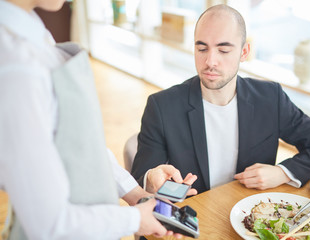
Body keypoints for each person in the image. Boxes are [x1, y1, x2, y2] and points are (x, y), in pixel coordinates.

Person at [0, 0, 196, 239]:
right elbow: (49, 223)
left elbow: (79, 141)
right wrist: (135, 220)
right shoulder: (15, 68)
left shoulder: (32, 31)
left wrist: (136, 194)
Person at [131, 4, 310, 194]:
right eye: (202, 48)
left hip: (250, 217)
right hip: (196, 221)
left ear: (244, 52)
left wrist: (282, 172)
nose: (210, 61)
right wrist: (150, 181)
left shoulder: (270, 98)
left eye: (223, 50)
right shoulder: (161, 106)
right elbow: (141, 178)